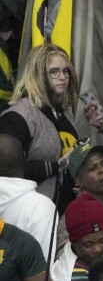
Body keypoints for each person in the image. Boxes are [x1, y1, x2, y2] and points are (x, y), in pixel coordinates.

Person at [0, 44, 81, 198]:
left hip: (64, 204)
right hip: (32, 210)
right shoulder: (18, 116)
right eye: (54, 72)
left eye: (66, 71)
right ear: (37, 75)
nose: (63, 77)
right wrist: (56, 166)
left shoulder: (63, 106)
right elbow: (7, 172)